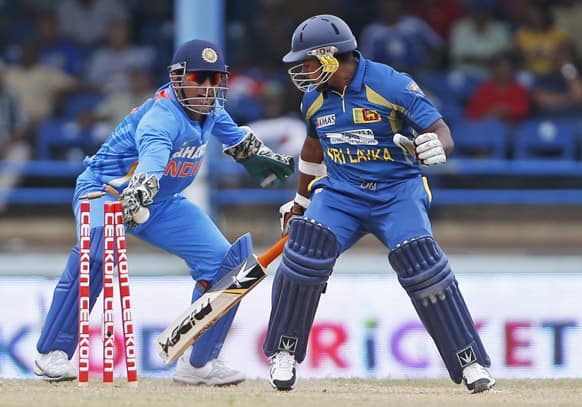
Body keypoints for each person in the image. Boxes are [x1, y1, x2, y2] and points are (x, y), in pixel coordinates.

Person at [33, 39, 294, 384]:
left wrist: (271, 161)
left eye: (216, 79)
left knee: (225, 264)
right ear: (177, 78)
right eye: (200, 78)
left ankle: (198, 364)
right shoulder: (161, 118)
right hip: (104, 191)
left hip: (163, 202)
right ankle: (52, 353)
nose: (208, 87)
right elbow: (153, 162)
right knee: (96, 252)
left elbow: (239, 141)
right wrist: (141, 191)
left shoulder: (212, 109)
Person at [263, 15, 495, 394]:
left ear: (331, 58)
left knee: (421, 264)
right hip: (341, 194)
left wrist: (437, 147)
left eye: (307, 62)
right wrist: (301, 200)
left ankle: (469, 360)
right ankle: (284, 351)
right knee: (305, 251)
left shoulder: (389, 83)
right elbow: (313, 147)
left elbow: (441, 131)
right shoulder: (313, 98)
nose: (302, 71)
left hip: (396, 192)